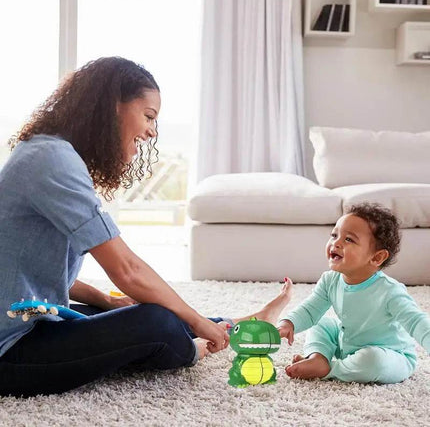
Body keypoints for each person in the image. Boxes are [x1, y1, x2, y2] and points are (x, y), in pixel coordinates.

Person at [0, 56, 292, 397]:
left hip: (30, 318)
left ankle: (240, 324)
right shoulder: (52, 161)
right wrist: (195, 322)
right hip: (11, 349)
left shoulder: (48, 151)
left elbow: (35, 270)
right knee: (156, 321)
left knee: (133, 307)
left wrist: (106, 301)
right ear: (112, 107)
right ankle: (190, 348)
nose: (152, 130)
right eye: (149, 116)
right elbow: (127, 269)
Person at [278, 202, 430, 384]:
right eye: (334, 235)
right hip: (346, 344)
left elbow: (417, 322)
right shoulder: (330, 280)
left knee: (373, 361)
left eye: (349, 239)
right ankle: (318, 357)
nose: (336, 243)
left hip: (390, 355)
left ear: (377, 257)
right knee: (321, 323)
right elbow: (310, 310)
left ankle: (330, 369)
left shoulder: (390, 291)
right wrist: (289, 323)